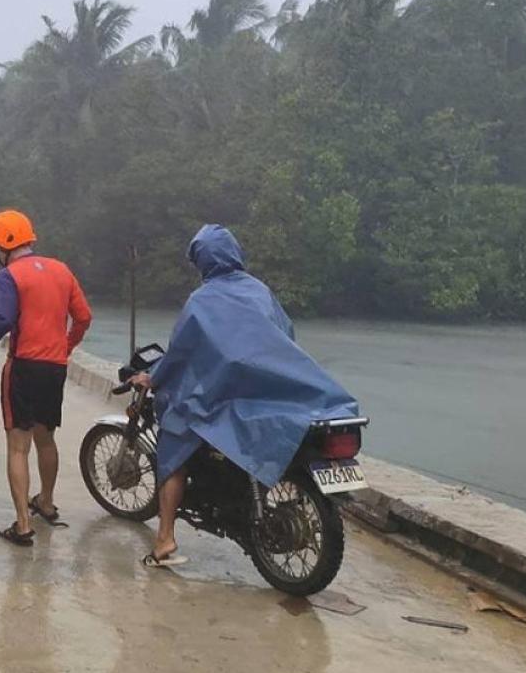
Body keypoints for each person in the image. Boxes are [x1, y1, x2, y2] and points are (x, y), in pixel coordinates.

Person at [129, 224, 358, 568]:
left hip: (221, 397)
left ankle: (164, 539)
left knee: (173, 448)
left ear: (202, 261)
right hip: (268, 392)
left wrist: (155, 377)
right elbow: (286, 335)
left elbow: (179, 353)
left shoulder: (201, 301)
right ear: (235, 253)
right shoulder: (261, 292)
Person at [0, 210, 91, 547]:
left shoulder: (9, 276)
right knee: (46, 438)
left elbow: (2, 321)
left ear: (2, 246)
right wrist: (65, 347)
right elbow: (83, 317)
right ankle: (47, 501)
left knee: (18, 447)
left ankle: (23, 525)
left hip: (23, 366)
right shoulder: (62, 270)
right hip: (55, 368)